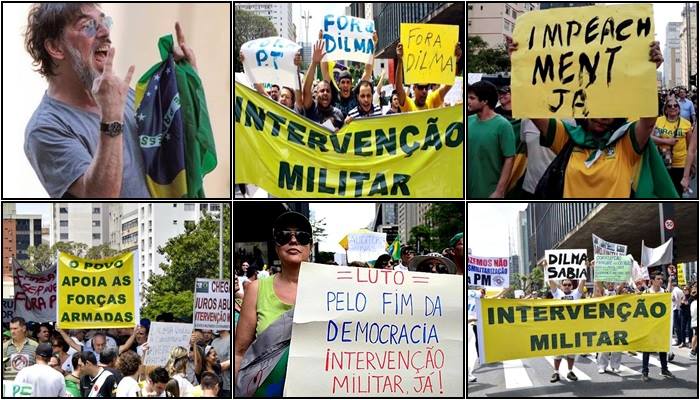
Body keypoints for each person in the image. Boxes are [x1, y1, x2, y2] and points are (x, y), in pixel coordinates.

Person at [23, 4, 196, 198]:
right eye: (88, 25)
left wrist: (184, 76)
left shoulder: (125, 95)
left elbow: (176, 142)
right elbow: (99, 198)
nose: (105, 32)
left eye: (105, 22)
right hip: (117, 228)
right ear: (56, 48)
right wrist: (112, 115)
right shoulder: (45, 128)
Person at [507, 36, 676, 198]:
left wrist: (648, 72)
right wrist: (518, 63)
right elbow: (531, 107)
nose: (603, 117)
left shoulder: (626, 143)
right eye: (597, 108)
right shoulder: (567, 136)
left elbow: (647, 122)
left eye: (610, 111)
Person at [235, 211, 313, 396]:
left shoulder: (330, 289)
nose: (293, 241)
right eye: (284, 236)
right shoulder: (256, 289)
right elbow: (240, 351)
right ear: (276, 246)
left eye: (301, 236)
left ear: (310, 246)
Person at [468, 80, 515, 198]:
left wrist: (499, 191)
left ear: (484, 101)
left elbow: (509, 159)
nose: (468, 101)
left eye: (472, 98)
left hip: (489, 192)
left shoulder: (504, 126)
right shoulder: (467, 121)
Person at [394, 41, 462, 112]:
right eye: (420, 87)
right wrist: (400, 61)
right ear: (414, 88)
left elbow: (448, 84)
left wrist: (455, 60)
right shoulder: (408, 104)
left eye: (426, 87)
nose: (424, 91)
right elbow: (399, 89)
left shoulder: (431, 100)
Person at [548, 274, 586, 382]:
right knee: (558, 353)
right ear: (562, 285)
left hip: (572, 329)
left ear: (572, 286)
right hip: (559, 329)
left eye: (569, 284)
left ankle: (570, 371)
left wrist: (583, 268)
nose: (567, 286)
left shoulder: (576, 294)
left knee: (571, 352)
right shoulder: (557, 293)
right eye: (565, 284)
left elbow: (582, 282)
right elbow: (551, 281)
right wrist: (548, 268)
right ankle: (556, 372)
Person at [653, 98, 693, 196]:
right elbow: (650, 138)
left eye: (675, 105)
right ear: (666, 110)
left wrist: (692, 164)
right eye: (669, 106)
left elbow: (691, 147)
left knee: (678, 192)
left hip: (680, 164)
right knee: (665, 191)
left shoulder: (686, 124)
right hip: (662, 162)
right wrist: (666, 141)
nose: (673, 107)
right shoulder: (658, 120)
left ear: (679, 109)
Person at [302, 40, 344, 130]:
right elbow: (306, 90)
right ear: (316, 94)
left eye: (328, 91)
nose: (325, 93)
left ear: (331, 95)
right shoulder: (311, 107)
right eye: (322, 91)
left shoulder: (338, 114)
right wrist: (314, 63)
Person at [640, 273, 675, 381]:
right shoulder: (645, 293)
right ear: (652, 281)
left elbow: (672, 301)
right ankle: (645, 372)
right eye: (658, 279)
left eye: (661, 279)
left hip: (661, 326)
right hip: (649, 326)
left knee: (662, 348)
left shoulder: (664, 292)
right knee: (646, 349)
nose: (660, 281)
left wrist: (671, 297)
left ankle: (664, 369)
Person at [210, 330, 231, 397]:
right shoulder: (214, 341)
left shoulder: (231, 339)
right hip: (215, 384)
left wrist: (216, 368)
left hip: (228, 385)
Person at [690, 287, 698, 360]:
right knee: (696, 336)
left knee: (695, 336)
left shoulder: (692, 302)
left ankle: (694, 351)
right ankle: (693, 351)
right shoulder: (695, 303)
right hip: (696, 322)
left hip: (694, 322)